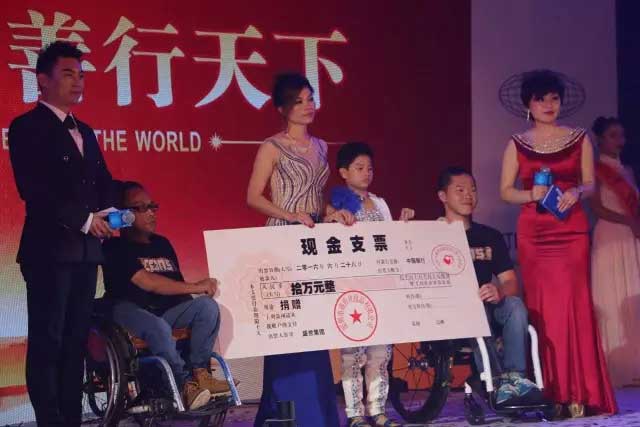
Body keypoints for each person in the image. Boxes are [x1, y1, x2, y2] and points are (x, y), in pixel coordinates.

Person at [8, 41, 115, 427]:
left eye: (81, 75)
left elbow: (102, 181)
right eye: (68, 74)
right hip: (49, 252)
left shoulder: (85, 130)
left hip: (86, 253)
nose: (78, 82)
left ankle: (71, 418)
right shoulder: (26, 127)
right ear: (42, 80)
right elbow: (35, 190)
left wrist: (115, 211)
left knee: (75, 342)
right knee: (48, 340)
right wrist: (85, 219)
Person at [499, 70, 616, 416]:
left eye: (554, 98)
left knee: (575, 306)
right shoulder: (517, 143)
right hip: (535, 233)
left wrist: (577, 191)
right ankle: (550, 391)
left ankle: (581, 391)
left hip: (571, 230)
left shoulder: (579, 138)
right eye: (540, 99)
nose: (548, 105)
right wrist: (530, 195)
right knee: (542, 310)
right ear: (528, 105)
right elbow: (505, 191)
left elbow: (591, 184)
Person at [247, 73, 351, 426]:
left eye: (310, 99)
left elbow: (316, 199)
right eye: (298, 101)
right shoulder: (271, 146)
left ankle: (316, 412)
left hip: (312, 240)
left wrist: (332, 214)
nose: (307, 106)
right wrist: (290, 214)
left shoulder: (321, 146)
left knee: (314, 325)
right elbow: (253, 197)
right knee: (288, 325)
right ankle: (283, 410)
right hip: (281, 240)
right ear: (282, 108)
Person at [102, 181, 231, 410]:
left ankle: (200, 373)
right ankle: (183, 385)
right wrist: (196, 286)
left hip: (165, 313)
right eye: (141, 208)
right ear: (123, 214)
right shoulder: (114, 248)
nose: (151, 213)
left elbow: (176, 286)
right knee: (158, 327)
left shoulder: (162, 243)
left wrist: (194, 302)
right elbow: (149, 282)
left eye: (152, 206)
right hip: (131, 313)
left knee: (207, 307)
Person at [436, 166, 543, 407]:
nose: (468, 195)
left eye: (473, 190)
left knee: (515, 305)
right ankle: (497, 381)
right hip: (453, 313)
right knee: (477, 310)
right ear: (443, 196)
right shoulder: (433, 235)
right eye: (460, 190)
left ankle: (516, 377)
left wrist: (499, 291)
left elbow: (511, 282)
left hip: (487, 307)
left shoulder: (490, 236)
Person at [329, 142, 413, 427]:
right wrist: (334, 218)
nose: (367, 173)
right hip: (352, 288)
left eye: (370, 168)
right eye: (359, 168)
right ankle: (355, 413)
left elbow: (389, 240)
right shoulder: (336, 203)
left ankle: (378, 410)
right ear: (344, 172)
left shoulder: (380, 203)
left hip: (380, 286)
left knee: (380, 354)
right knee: (353, 355)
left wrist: (402, 223)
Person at [589, 117, 640, 387]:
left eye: (621, 135)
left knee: (632, 294)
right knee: (612, 296)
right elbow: (597, 208)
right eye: (613, 135)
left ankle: (635, 365)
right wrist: (627, 221)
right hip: (609, 234)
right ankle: (614, 367)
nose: (619, 141)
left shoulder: (627, 170)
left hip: (629, 237)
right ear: (600, 139)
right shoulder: (594, 169)